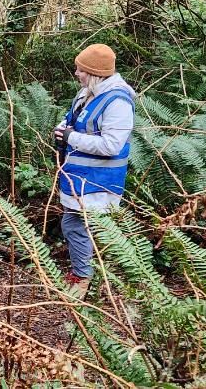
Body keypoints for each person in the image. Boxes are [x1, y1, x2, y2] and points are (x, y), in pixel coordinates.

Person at [52, 43, 136, 298]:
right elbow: (76, 122)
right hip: (79, 178)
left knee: (74, 225)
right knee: (79, 226)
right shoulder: (87, 93)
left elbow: (111, 145)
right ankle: (89, 276)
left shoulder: (118, 101)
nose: (75, 73)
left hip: (98, 181)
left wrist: (71, 138)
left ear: (93, 72)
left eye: (79, 69)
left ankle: (82, 280)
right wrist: (63, 129)